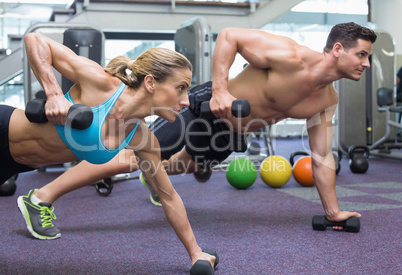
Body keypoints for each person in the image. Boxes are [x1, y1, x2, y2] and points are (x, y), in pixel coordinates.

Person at [19, 22, 376, 235]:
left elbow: (322, 157)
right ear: (338, 50)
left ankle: (153, 180)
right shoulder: (289, 56)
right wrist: (221, 89)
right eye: (362, 54)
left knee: (186, 164)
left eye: (369, 57)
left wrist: (332, 212)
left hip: (235, 132)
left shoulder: (325, 101)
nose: (367, 63)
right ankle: (41, 198)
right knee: (131, 156)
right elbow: (229, 36)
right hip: (205, 108)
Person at [3, 32, 216, 270]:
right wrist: (53, 94)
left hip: (15, 165)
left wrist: (195, 252)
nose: (186, 100)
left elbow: (168, 196)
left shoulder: (142, 138)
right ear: (150, 82)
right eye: (181, 88)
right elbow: (35, 40)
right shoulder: (102, 84)